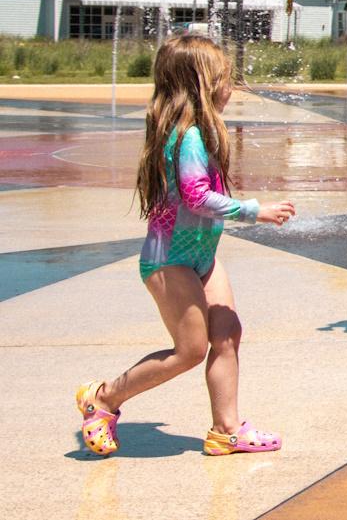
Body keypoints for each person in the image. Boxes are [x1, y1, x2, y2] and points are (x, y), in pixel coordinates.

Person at [75, 35, 296, 456]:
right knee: (191, 350)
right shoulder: (188, 135)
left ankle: (226, 429)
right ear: (202, 84)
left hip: (202, 256)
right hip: (169, 261)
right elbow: (196, 196)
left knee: (227, 334)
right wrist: (255, 210)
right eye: (225, 79)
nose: (231, 88)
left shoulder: (197, 131)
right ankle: (102, 398)